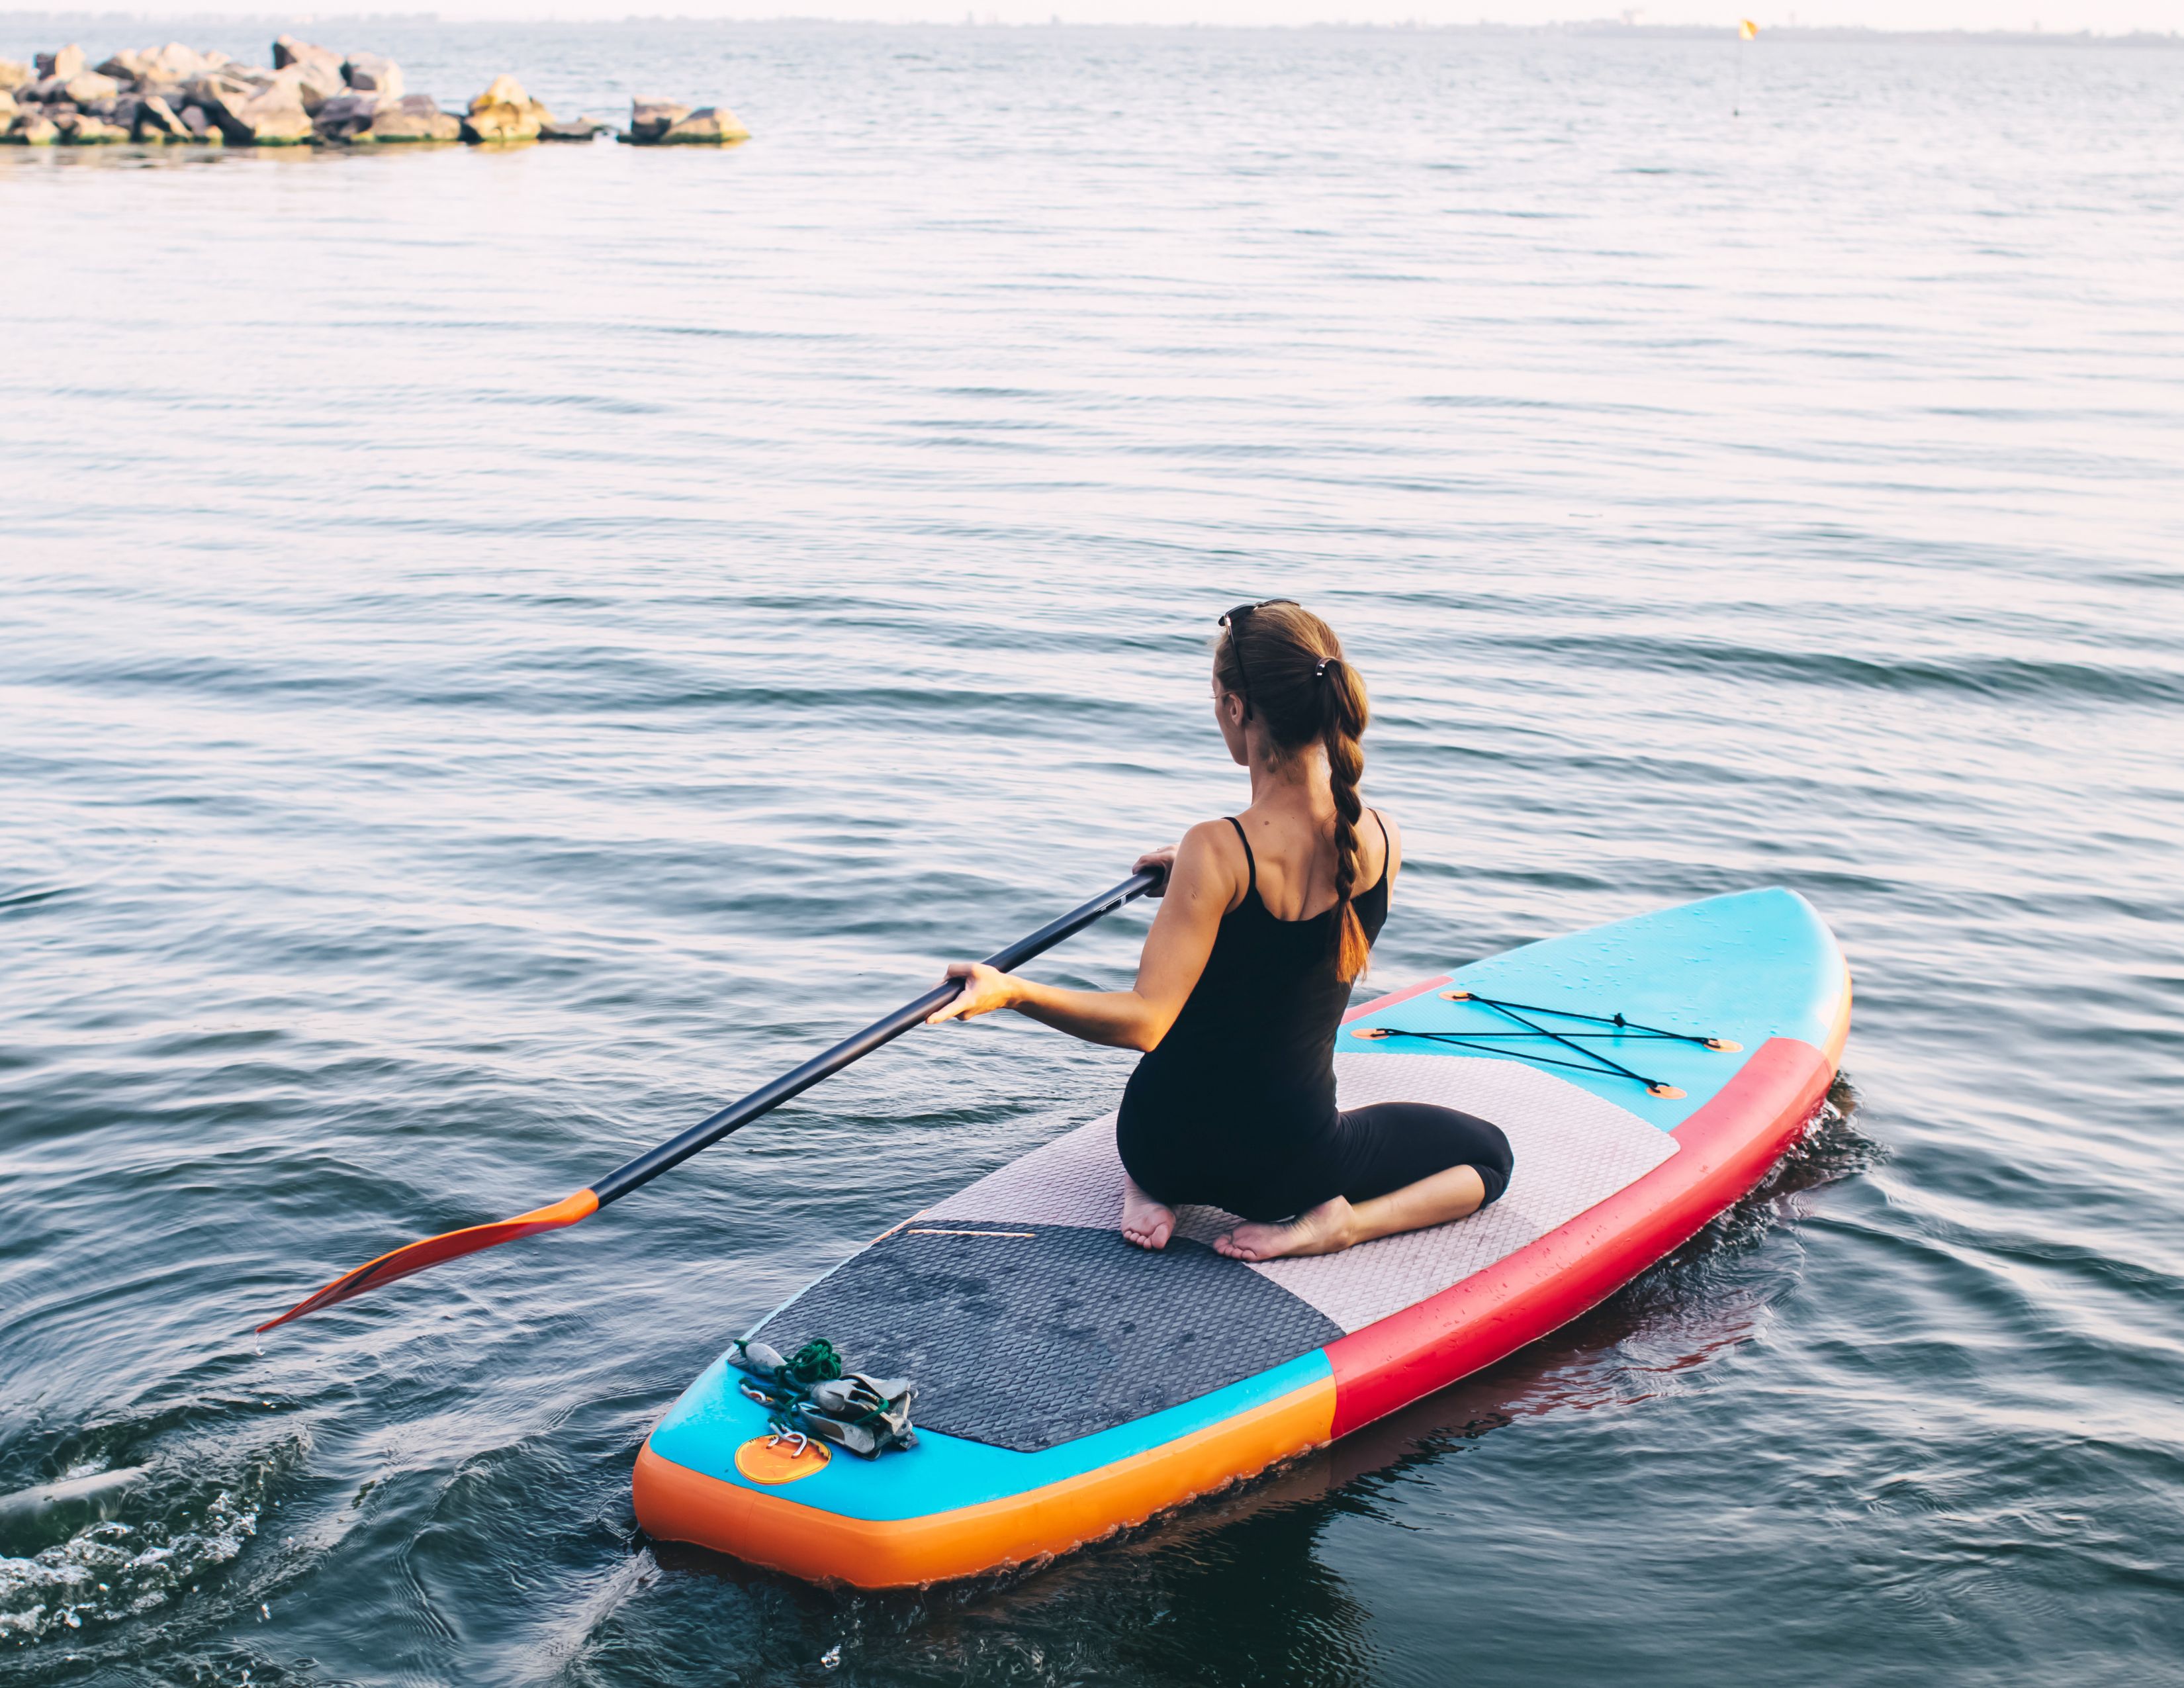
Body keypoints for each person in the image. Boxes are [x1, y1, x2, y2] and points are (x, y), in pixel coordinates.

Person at [927, 600, 1512, 1262]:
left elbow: (1145, 1022)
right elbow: (1286, 945)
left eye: (1215, 699)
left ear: (1237, 708)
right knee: (1490, 1156)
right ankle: (1340, 1225)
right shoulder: (1379, 837)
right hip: (1291, 1172)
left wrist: (1011, 992)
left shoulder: (1217, 850)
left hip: (1159, 1151)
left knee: (1176, 1096)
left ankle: (1145, 1194)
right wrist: (1202, 885)